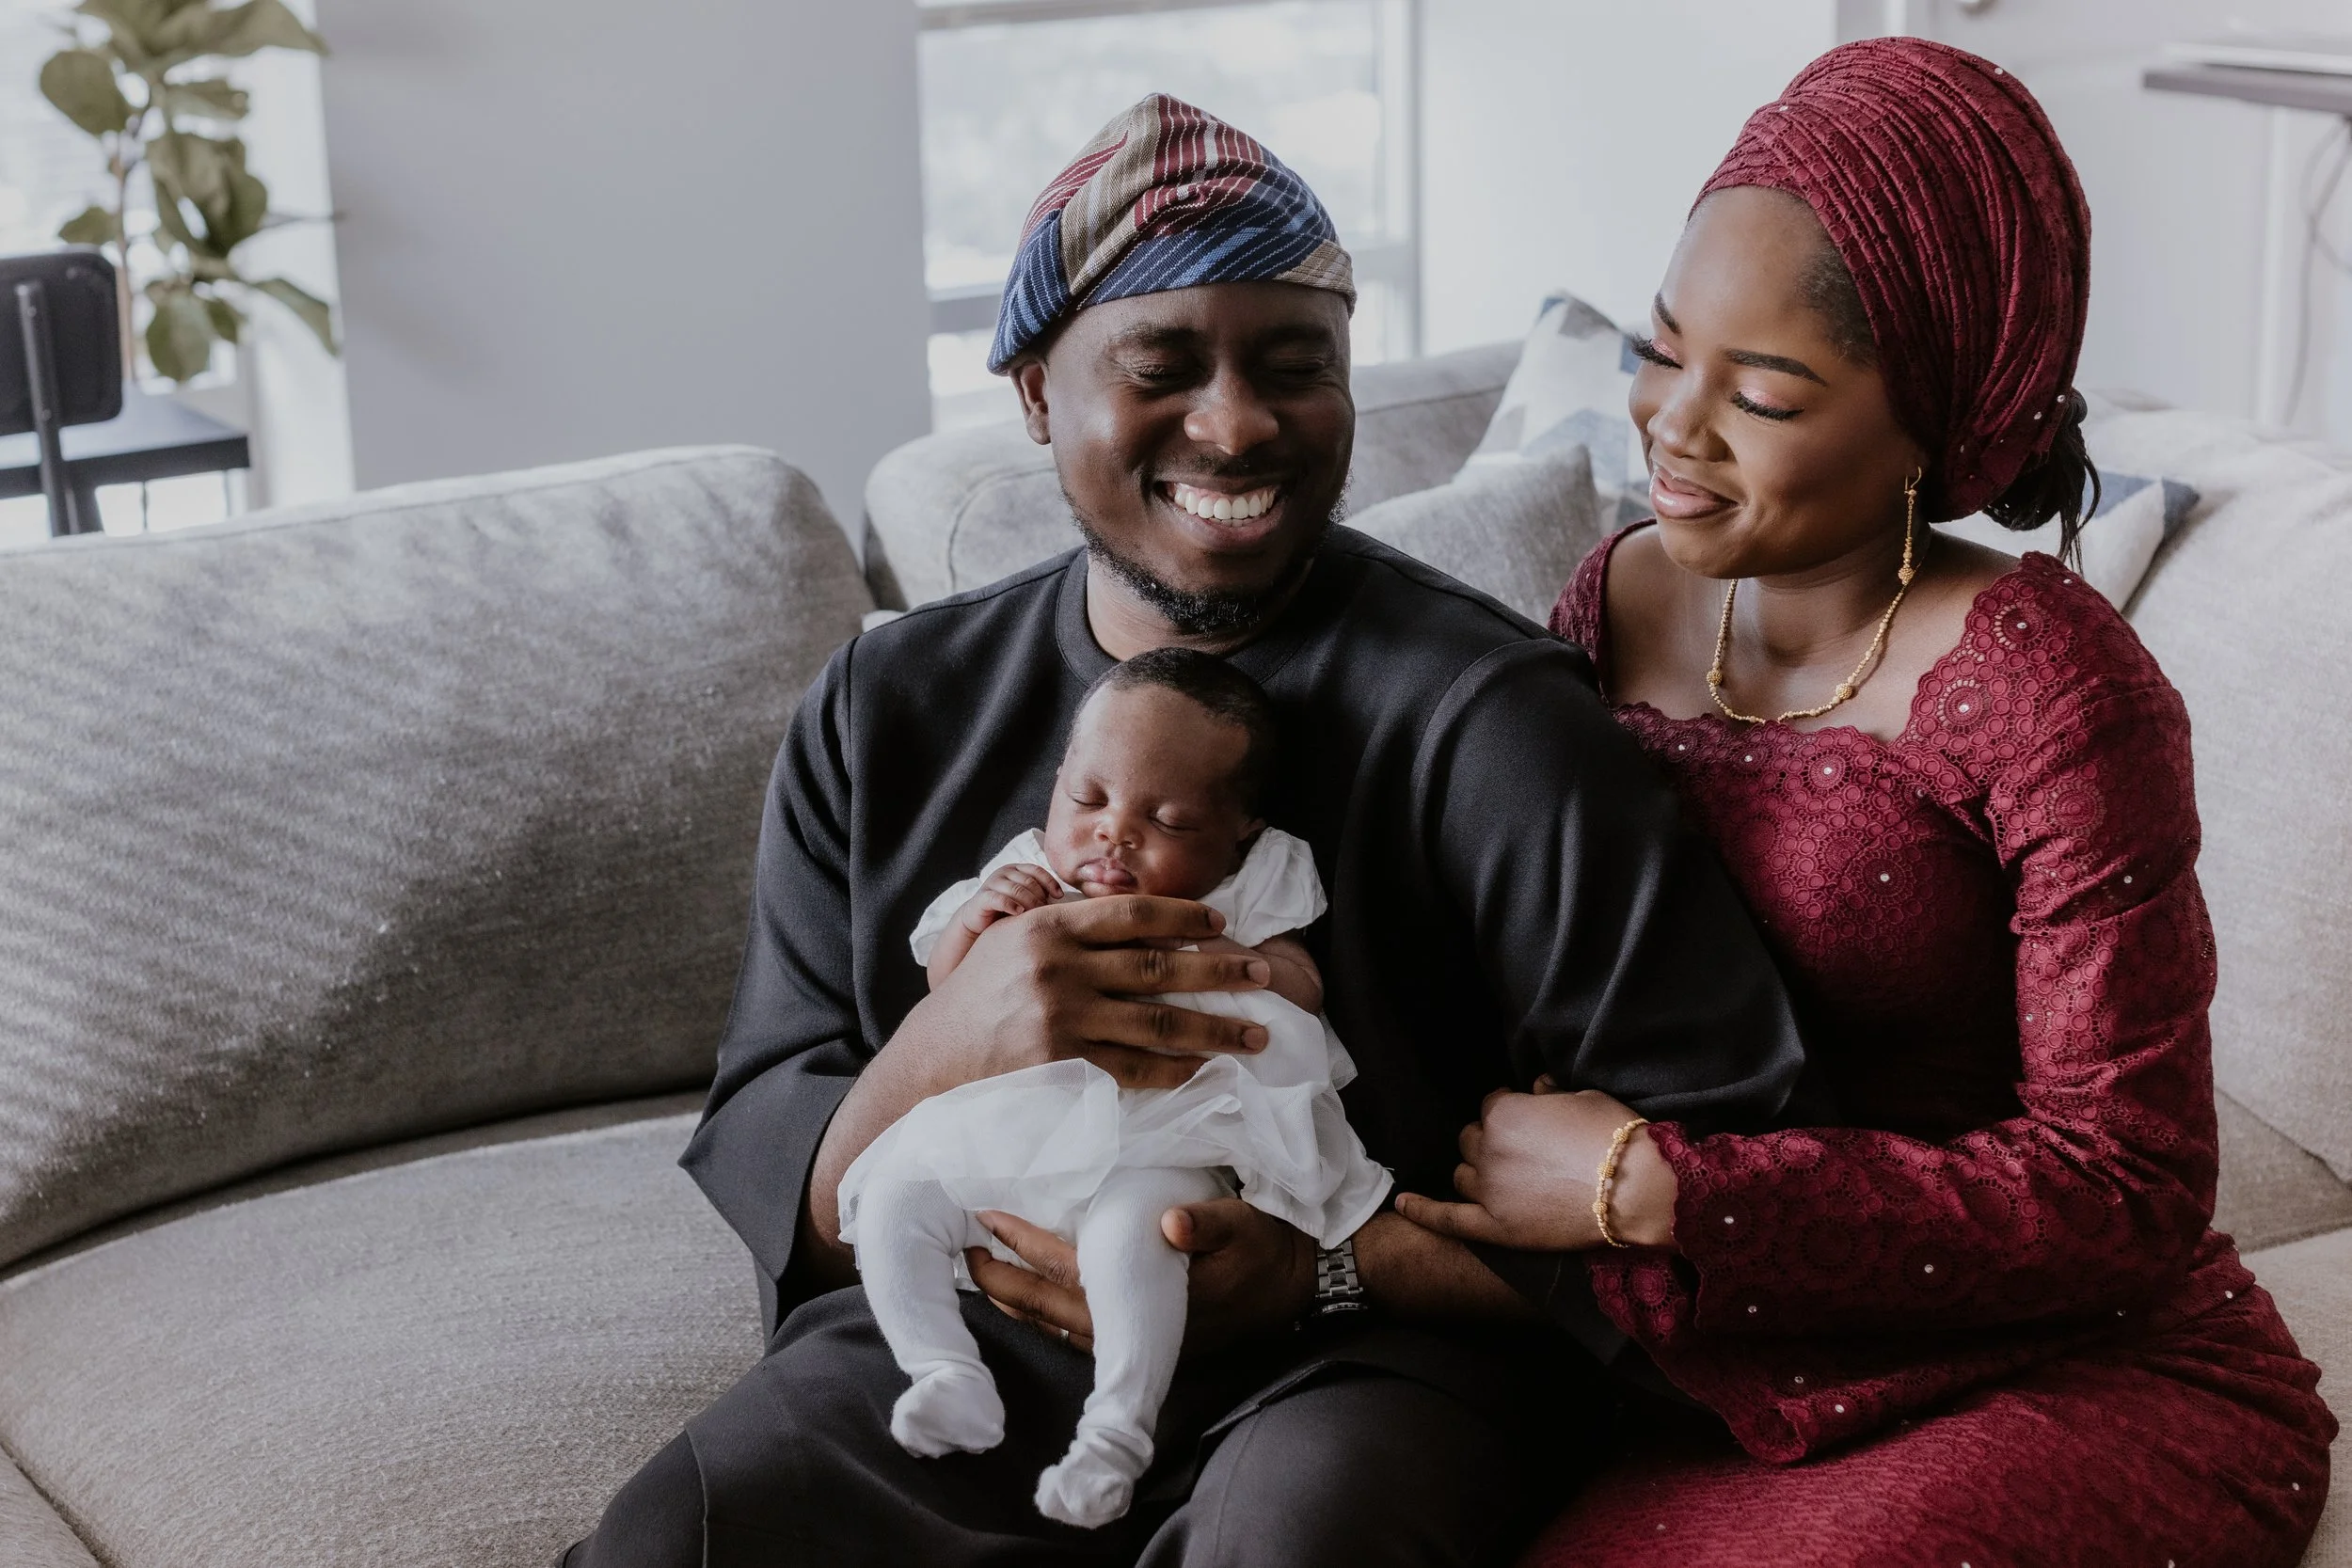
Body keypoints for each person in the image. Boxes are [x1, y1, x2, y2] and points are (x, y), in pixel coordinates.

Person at [564, 93, 1807, 1567]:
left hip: (1363, 1365)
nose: (1237, 423)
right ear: (1035, 392)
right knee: (683, 1530)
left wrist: (1321, 1273)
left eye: (1298, 366)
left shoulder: (1494, 722)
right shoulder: (887, 705)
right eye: (1162, 365)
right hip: (975, 1339)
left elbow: (1742, 1192)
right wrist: (950, 1039)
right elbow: (799, 1189)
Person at [1397, 39, 2337, 1565]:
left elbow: (2134, 1184)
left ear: (1927, 424)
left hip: (2059, 1362)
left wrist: (1660, 1190)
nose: (1671, 424)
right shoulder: (1612, 596)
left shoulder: (2053, 688)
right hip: (1718, 1343)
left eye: (1762, 390)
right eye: (1662, 344)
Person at [841, 649, 1390, 1529]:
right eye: (1089, 800)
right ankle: (943, 1369)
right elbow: (950, 993)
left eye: (1166, 819)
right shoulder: (1025, 876)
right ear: (1058, 782)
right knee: (897, 1195)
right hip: (1018, 1133)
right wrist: (983, 928)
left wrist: (1229, 964)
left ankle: (1116, 1431)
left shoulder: (1251, 886)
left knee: (1143, 1233)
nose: (1113, 834)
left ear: (1241, 826)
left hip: (1173, 1132)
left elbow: (1299, 980)